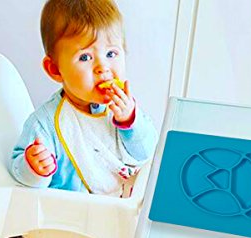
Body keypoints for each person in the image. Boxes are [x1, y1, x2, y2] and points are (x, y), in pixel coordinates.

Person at [9, 0, 158, 198]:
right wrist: (34, 168)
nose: (103, 67)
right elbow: (20, 175)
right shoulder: (44, 124)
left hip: (124, 203)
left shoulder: (123, 109)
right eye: (85, 57)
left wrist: (130, 120)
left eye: (111, 53)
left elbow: (146, 153)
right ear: (55, 69)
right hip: (74, 211)